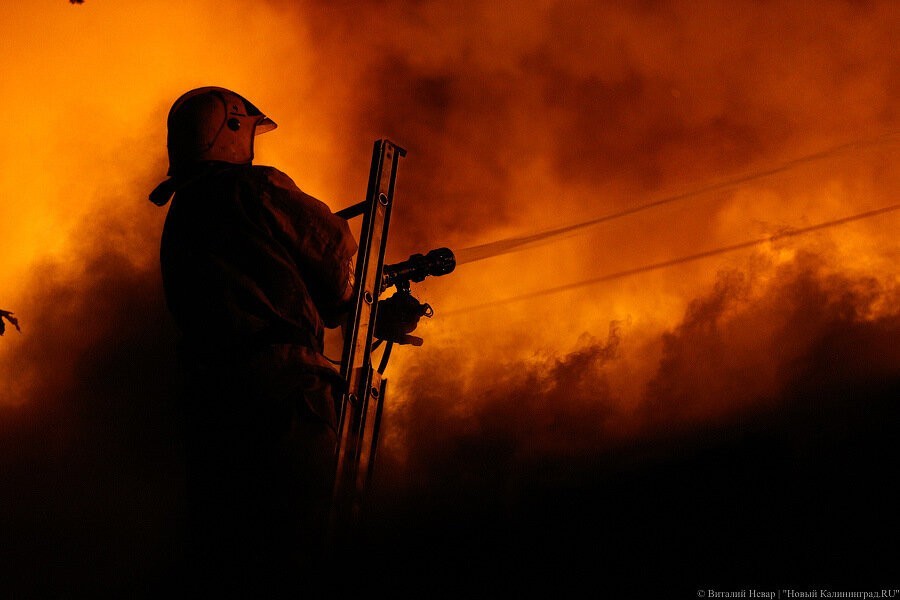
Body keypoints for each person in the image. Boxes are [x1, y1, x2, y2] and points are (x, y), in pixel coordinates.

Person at [149, 86, 416, 597]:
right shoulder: (255, 189)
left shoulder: (181, 217)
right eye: (247, 130)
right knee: (308, 541)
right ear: (229, 128)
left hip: (210, 409)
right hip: (285, 391)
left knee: (240, 556)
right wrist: (379, 314)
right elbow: (339, 268)